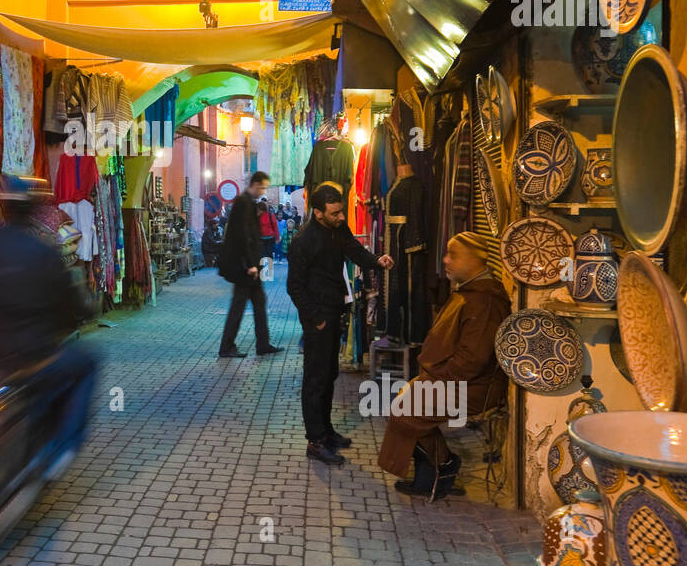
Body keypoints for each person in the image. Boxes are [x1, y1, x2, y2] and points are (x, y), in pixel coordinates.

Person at [0, 175, 97, 473]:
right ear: (34, 209)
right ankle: (62, 448)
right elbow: (70, 302)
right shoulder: (44, 253)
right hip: (34, 357)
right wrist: (85, 310)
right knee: (88, 362)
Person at [377, 231, 510, 501]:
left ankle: (444, 464)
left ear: (475, 261)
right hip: (453, 379)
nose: (446, 261)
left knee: (407, 412)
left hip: (474, 388)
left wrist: (435, 379)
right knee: (404, 405)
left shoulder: (484, 300)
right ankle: (435, 470)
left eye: (453, 255)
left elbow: (472, 360)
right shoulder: (470, 292)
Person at [286, 184, 393, 464]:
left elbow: (354, 251)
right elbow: (294, 286)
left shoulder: (338, 230)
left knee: (330, 374)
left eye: (341, 212)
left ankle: (326, 431)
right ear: (318, 213)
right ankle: (315, 441)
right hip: (318, 319)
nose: (342, 217)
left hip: (333, 313)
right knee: (315, 379)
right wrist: (316, 319)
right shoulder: (303, 241)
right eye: (334, 213)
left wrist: (377, 262)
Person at [217, 171, 281, 358]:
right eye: (262, 187)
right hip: (244, 267)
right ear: (254, 184)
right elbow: (242, 236)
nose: (263, 191)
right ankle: (227, 346)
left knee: (259, 303)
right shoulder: (243, 203)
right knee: (238, 306)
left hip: (249, 266)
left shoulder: (248, 203)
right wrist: (249, 265)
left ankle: (262, 344)